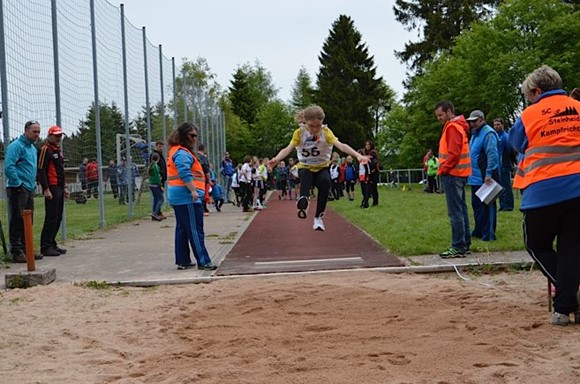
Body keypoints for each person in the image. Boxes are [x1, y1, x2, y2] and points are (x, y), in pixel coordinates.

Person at [508, 65, 580, 326]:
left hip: (544, 192)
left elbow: (515, 144)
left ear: (537, 91)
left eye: (529, 94)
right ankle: (565, 304)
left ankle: (568, 299)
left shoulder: (530, 114)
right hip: (578, 190)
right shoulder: (578, 107)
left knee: (536, 245)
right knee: (572, 248)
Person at [268, 105, 369, 231]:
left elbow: (341, 146)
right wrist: (276, 159)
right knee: (305, 175)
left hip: (322, 168)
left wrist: (358, 155)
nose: (315, 129)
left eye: (318, 125)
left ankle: (318, 217)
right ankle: (303, 199)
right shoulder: (299, 133)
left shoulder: (326, 132)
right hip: (306, 167)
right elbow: (287, 149)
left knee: (326, 183)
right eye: (311, 126)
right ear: (305, 122)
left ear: (322, 122)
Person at [167, 122, 217, 271]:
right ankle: (203, 261)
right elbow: (184, 172)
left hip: (180, 195)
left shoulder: (177, 151)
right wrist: (194, 191)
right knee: (195, 229)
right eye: (192, 135)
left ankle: (183, 260)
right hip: (187, 196)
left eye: (196, 136)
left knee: (182, 228)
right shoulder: (182, 153)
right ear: (184, 135)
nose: (195, 139)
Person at [434, 101, 472, 258]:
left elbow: (454, 154)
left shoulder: (452, 127)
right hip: (461, 173)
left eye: (440, 115)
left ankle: (458, 245)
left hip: (453, 174)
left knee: (455, 212)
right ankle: (464, 244)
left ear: (449, 112)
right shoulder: (459, 126)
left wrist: (442, 169)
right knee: (461, 210)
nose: (439, 118)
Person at [4, 120, 42, 263]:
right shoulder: (16, 146)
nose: (37, 135)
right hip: (18, 188)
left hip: (29, 187)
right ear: (26, 131)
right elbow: (9, 166)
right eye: (34, 132)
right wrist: (18, 183)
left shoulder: (32, 149)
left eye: (38, 132)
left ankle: (28, 249)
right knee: (17, 219)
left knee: (28, 219)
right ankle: (17, 251)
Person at [466, 110, 500, 242]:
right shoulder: (476, 134)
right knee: (477, 207)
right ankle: (479, 230)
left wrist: (489, 173)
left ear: (482, 120)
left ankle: (489, 234)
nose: (472, 124)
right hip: (475, 177)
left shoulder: (488, 133)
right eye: (471, 121)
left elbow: (492, 155)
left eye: (474, 121)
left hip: (485, 177)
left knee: (487, 207)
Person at [37, 125, 70, 257]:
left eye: (60, 135)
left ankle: (52, 243)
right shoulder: (46, 149)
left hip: (59, 187)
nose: (58, 138)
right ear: (50, 135)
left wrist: (65, 187)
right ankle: (45, 246)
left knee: (57, 217)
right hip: (52, 187)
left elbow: (60, 170)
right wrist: (46, 188)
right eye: (56, 135)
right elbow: (41, 169)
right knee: (51, 217)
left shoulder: (57, 150)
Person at [493, 117, 515, 211]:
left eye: (498, 124)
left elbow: (510, 151)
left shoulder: (505, 137)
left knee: (506, 186)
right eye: (495, 125)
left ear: (502, 125)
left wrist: (511, 162)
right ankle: (502, 205)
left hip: (504, 165)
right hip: (497, 165)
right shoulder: (495, 136)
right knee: (499, 186)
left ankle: (509, 206)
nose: (496, 126)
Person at [148, 152, 165, 221]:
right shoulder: (155, 166)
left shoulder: (151, 166)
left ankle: (154, 213)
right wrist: (160, 185)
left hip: (151, 184)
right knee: (161, 199)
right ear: (158, 159)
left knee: (156, 199)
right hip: (155, 184)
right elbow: (157, 177)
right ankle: (155, 213)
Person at [363, 140, 380, 206]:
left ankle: (375, 201)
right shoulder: (366, 152)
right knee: (368, 187)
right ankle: (367, 201)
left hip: (374, 172)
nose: (367, 146)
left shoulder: (373, 153)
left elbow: (372, 160)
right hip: (368, 172)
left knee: (373, 187)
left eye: (368, 145)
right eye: (366, 145)